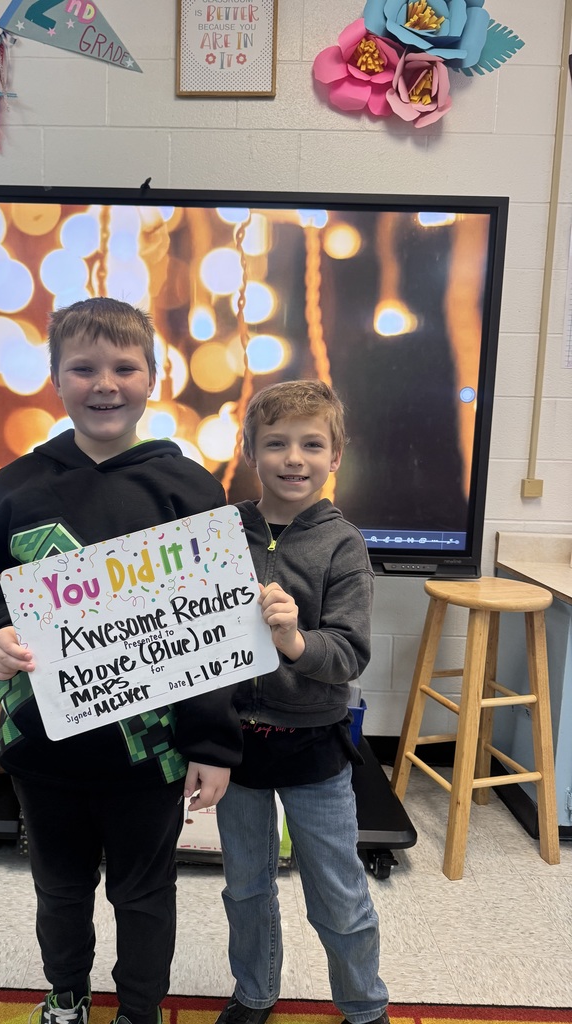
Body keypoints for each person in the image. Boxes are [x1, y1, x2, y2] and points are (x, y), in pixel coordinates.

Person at [0, 297, 242, 1024]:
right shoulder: (15, 486)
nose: (105, 384)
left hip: (148, 758)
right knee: (58, 891)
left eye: (124, 366)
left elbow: (213, 631)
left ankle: (140, 1011)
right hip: (40, 747)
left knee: (144, 895)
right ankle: (68, 996)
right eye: (83, 368)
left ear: (153, 375)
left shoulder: (190, 489)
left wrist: (211, 744)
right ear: (56, 378)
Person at [214, 379, 389, 1024]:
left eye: (312, 444)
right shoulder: (223, 531)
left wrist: (292, 640)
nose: (294, 458)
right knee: (246, 887)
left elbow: (348, 654)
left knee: (338, 894)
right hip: (237, 745)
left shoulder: (343, 543)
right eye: (277, 443)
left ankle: (365, 1006)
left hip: (314, 745)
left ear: (335, 455)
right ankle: (254, 993)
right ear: (251, 451)